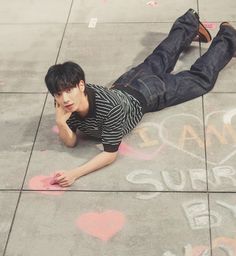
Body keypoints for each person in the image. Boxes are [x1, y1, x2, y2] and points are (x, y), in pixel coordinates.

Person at [45, 8, 236, 187]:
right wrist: (61, 123)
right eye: (59, 94)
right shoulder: (66, 103)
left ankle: (228, 36)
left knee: (199, 80)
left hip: (148, 93)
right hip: (126, 82)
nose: (65, 99)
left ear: (81, 85)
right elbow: (71, 142)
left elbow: (110, 154)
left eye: (69, 90)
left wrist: (75, 173)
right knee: (162, 57)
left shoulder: (108, 108)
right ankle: (189, 22)